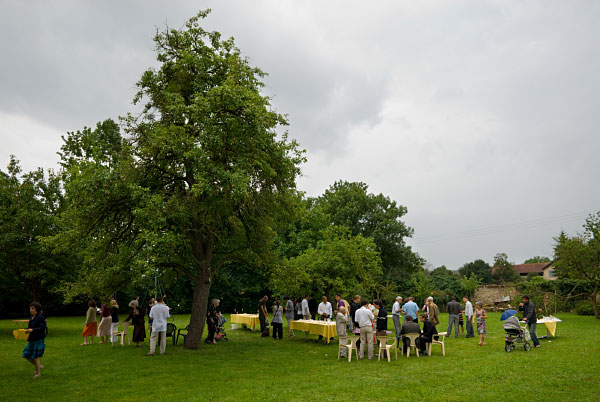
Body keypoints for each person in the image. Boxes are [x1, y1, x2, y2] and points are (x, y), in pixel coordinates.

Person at [23, 302, 47, 378]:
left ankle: (38, 373)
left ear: (36, 309)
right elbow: (30, 327)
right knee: (26, 355)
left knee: (35, 356)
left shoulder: (40, 317)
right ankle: (39, 366)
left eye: (32, 308)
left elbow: (42, 328)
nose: (30, 309)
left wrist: (32, 330)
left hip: (38, 339)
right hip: (31, 339)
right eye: (30, 308)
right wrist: (25, 330)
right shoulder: (31, 317)